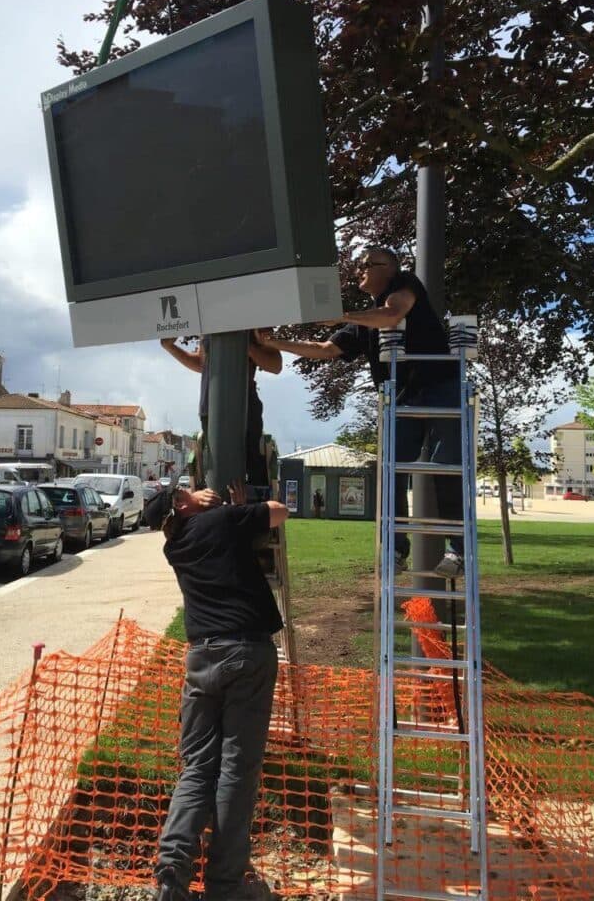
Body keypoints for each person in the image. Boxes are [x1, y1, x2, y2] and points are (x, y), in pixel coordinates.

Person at [259, 246, 465, 578]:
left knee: (445, 468)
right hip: (402, 398)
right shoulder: (363, 320)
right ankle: (397, 550)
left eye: (369, 264)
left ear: (390, 268)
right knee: (391, 471)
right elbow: (326, 350)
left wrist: (341, 314)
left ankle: (457, 551)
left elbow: (392, 315)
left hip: (440, 388)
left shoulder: (405, 285)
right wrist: (276, 343)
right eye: (361, 266)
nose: (361, 271)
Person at [153, 482, 288, 901]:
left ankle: (171, 875)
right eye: (186, 490)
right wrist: (233, 507)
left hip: (202, 659)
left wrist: (229, 510)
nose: (196, 488)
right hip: (246, 653)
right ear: (181, 503)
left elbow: (225, 549)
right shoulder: (221, 521)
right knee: (236, 770)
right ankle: (225, 886)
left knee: (196, 768)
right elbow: (280, 510)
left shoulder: (174, 546)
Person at [161, 331, 282, 487]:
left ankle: (252, 505)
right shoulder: (206, 323)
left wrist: (245, 346)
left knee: (254, 469)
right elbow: (202, 363)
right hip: (209, 407)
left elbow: (275, 365)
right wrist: (170, 347)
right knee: (215, 471)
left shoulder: (254, 321)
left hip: (244, 406)